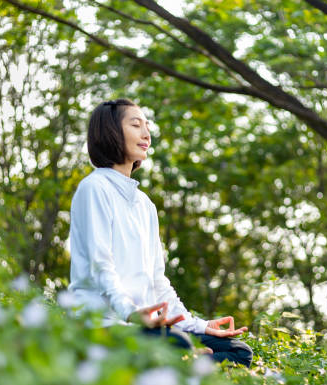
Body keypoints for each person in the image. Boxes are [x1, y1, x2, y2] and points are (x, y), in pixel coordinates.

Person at [68, 98, 253, 367]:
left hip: (149, 329)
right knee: (179, 344)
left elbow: (157, 281)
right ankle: (180, 361)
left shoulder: (145, 205)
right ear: (110, 131)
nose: (146, 134)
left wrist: (198, 325)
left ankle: (180, 363)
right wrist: (132, 314)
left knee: (238, 351)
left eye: (147, 126)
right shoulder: (94, 188)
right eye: (136, 125)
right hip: (105, 324)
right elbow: (100, 266)